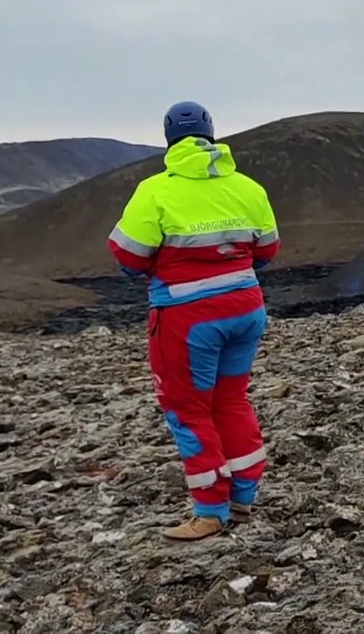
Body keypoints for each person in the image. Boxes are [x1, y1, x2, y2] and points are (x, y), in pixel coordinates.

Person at [107, 100, 280, 540]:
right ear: (211, 134)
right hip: (246, 308)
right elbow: (268, 250)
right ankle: (242, 498)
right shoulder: (249, 188)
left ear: (169, 139)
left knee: (188, 410)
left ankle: (209, 512)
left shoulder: (155, 191)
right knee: (232, 400)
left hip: (188, 317)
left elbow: (128, 254)